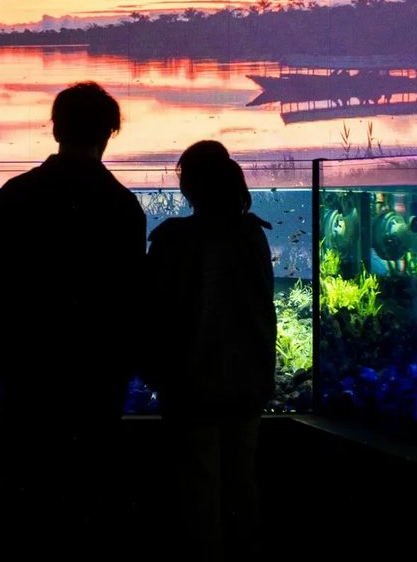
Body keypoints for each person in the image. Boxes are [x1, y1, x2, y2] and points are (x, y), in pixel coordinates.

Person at [0, 81, 147, 549]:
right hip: (97, 374)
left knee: (27, 487)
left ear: (54, 129)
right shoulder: (122, 205)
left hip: (27, 369)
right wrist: (129, 364)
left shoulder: (15, 196)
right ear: (110, 132)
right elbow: (131, 298)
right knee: (91, 488)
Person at [144, 140, 277, 560]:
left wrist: (154, 370)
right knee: (243, 484)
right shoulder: (253, 235)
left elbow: (155, 309)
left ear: (190, 187)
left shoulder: (172, 239)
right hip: (247, 383)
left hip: (190, 385)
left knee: (197, 491)